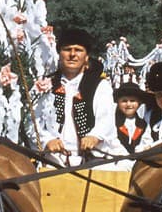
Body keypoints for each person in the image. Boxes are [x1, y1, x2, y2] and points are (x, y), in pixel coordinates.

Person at [44, 26, 116, 162]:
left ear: (86, 56)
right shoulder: (47, 83)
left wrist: (95, 136)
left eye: (78, 50)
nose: (72, 54)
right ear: (59, 54)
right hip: (54, 158)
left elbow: (106, 119)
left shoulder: (99, 85)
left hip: (91, 157)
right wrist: (47, 140)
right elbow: (34, 119)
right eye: (67, 49)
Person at [113, 81, 151, 157]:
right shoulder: (113, 122)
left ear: (139, 103)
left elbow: (147, 142)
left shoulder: (143, 124)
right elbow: (112, 143)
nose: (128, 104)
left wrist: (140, 151)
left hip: (138, 161)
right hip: (116, 161)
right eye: (124, 101)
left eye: (132, 101)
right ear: (118, 102)